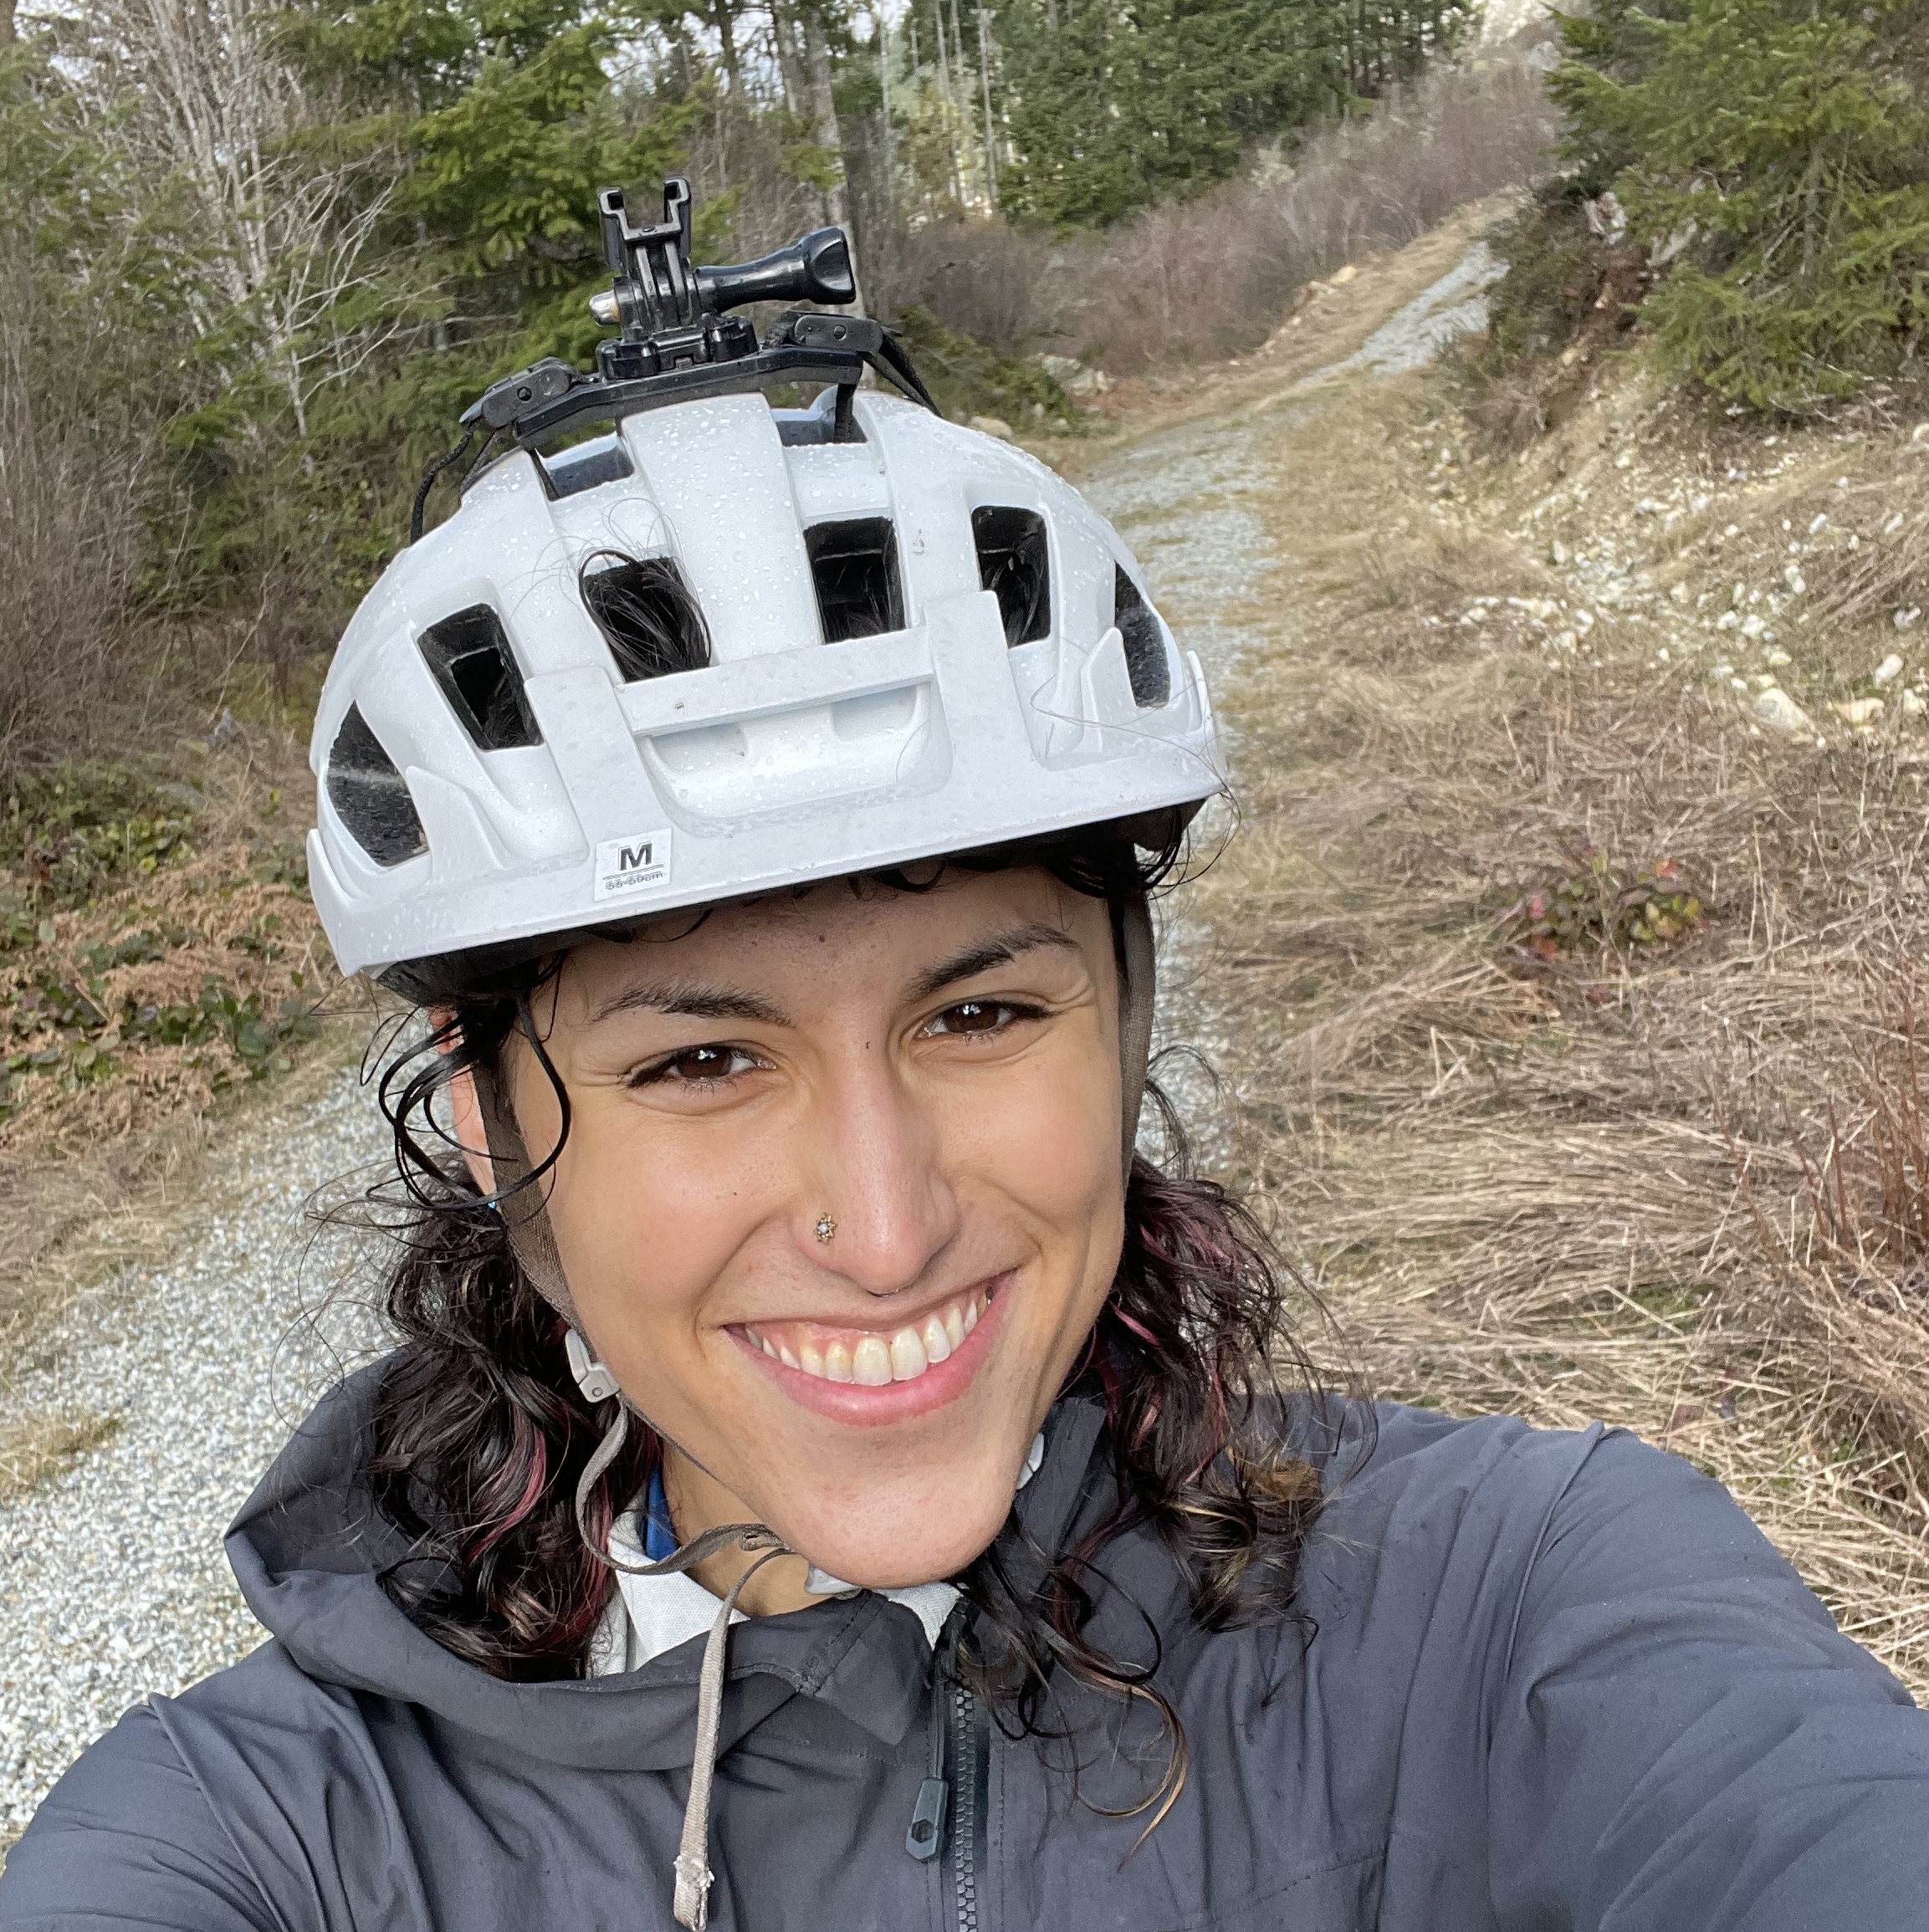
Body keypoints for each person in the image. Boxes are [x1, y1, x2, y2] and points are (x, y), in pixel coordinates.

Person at [6, 197, 1928, 1931]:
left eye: (981, 1014)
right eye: (699, 1061)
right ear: (498, 1116)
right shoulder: (274, 1839)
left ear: (1129, 1013)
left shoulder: (1511, 1597)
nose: (886, 1220)